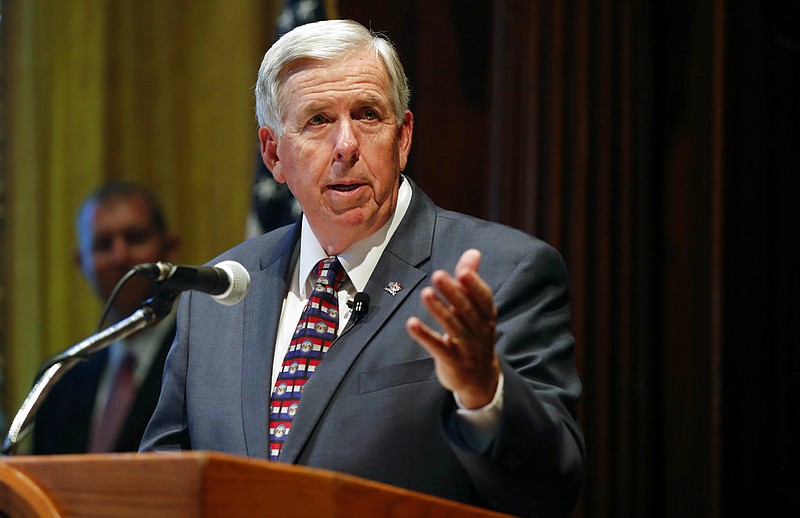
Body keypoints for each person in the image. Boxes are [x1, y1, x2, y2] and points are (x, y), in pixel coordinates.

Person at [141, 19, 584, 517]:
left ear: (403, 137)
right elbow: (166, 475)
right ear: (273, 154)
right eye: (317, 120)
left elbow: (552, 487)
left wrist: (485, 394)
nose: (346, 145)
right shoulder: (219, 291)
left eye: (368, 115)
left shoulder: (501, 274)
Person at [33, 180, 179, 454]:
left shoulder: (200, 361)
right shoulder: (61, 378)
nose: (120, 257)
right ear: (81, 262)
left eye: (135, 238)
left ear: (168, 248)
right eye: (102, 245)